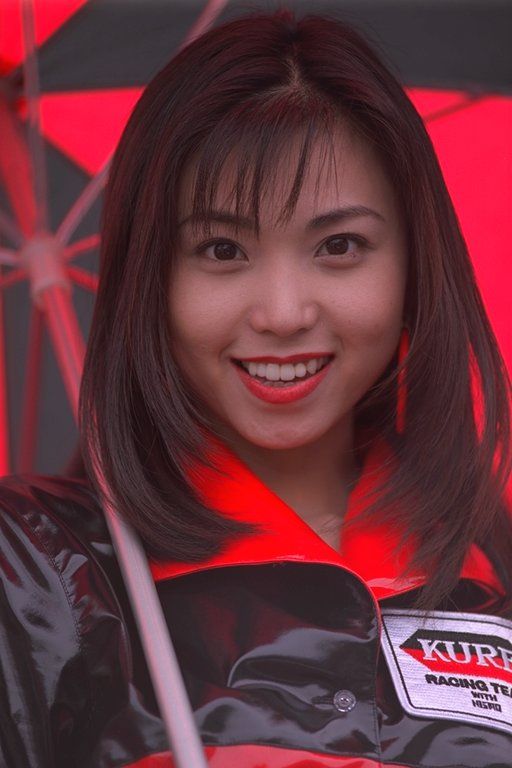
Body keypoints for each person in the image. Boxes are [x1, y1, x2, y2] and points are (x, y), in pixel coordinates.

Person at [1, 8, 511, 768]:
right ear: (149, 276)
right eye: (221, 249)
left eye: (340, 245)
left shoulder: (492, 560)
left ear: (414, 264)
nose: (282, 313)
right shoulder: (35, 568)